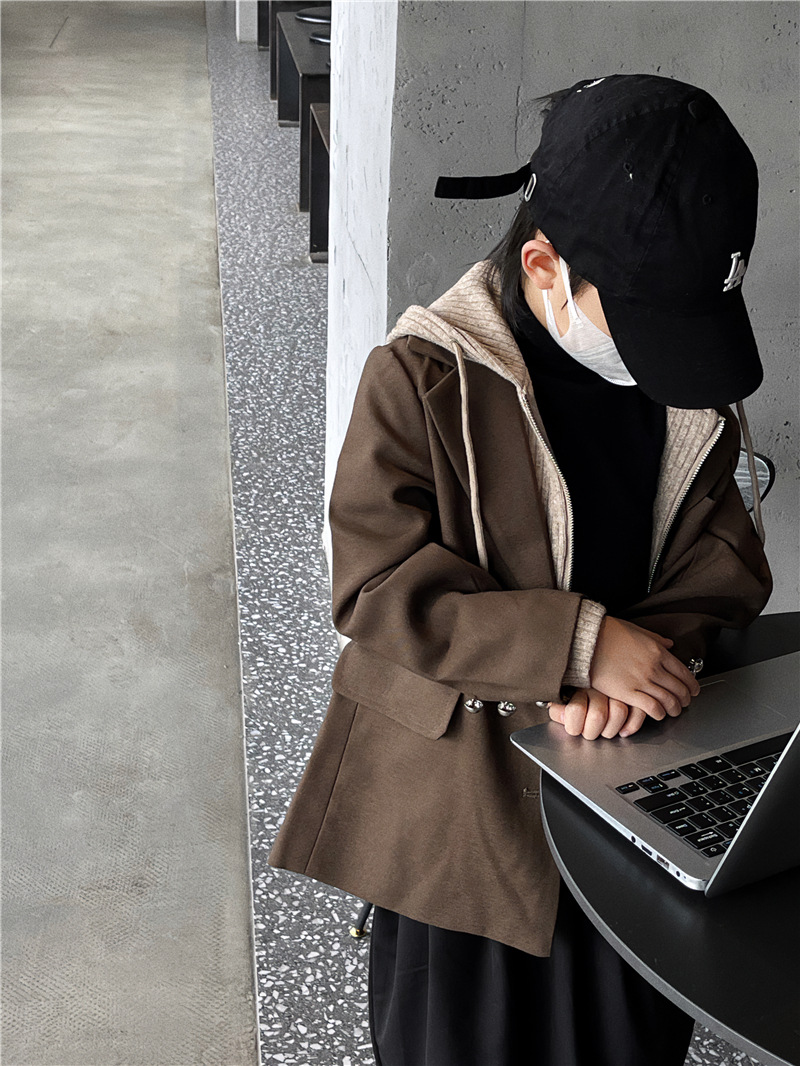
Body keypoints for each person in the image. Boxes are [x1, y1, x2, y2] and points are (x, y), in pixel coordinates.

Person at [269, 74, 772, 1066]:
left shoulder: (678, 382)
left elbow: (723, 555)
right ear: (543, 264)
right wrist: (579, 645)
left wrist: (650, 658)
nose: (662, 357)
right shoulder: (423, 377)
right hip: (462, 812)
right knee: (463, 1038)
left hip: (625, 792)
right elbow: (375, 586)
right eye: (641, 321)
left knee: (627, 1025)